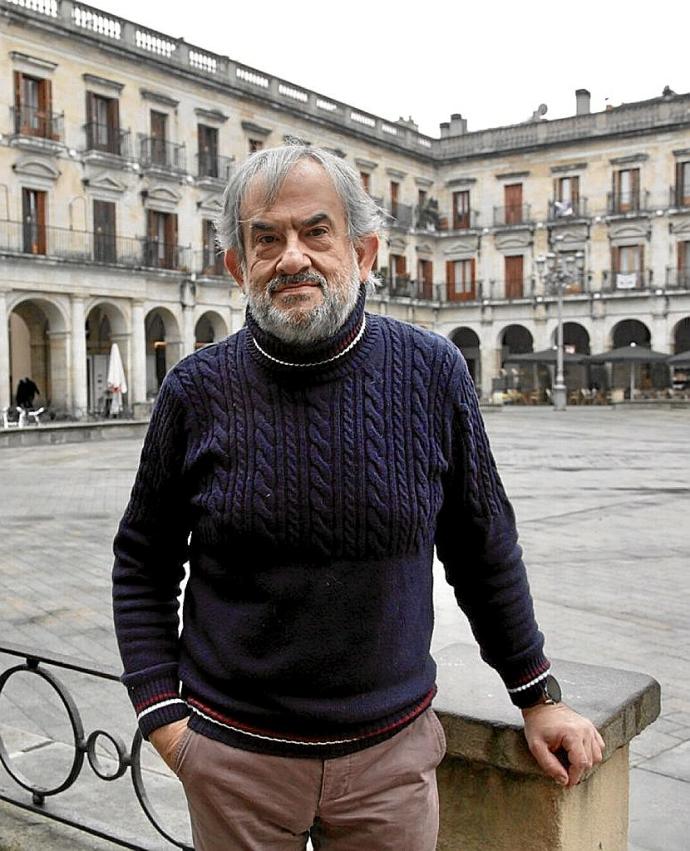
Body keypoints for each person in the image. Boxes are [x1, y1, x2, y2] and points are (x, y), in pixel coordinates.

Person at [112, 145, 603, 851]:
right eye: (266, 238)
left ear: (364, 250)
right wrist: (165, 718)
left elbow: (482, 547)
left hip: (389, 764)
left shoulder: (432, 373)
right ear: (235, 266)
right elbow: (143, 561)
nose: (291, 258)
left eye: (316, 232)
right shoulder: (194, 390)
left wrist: (537, 696)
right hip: (236, 766)